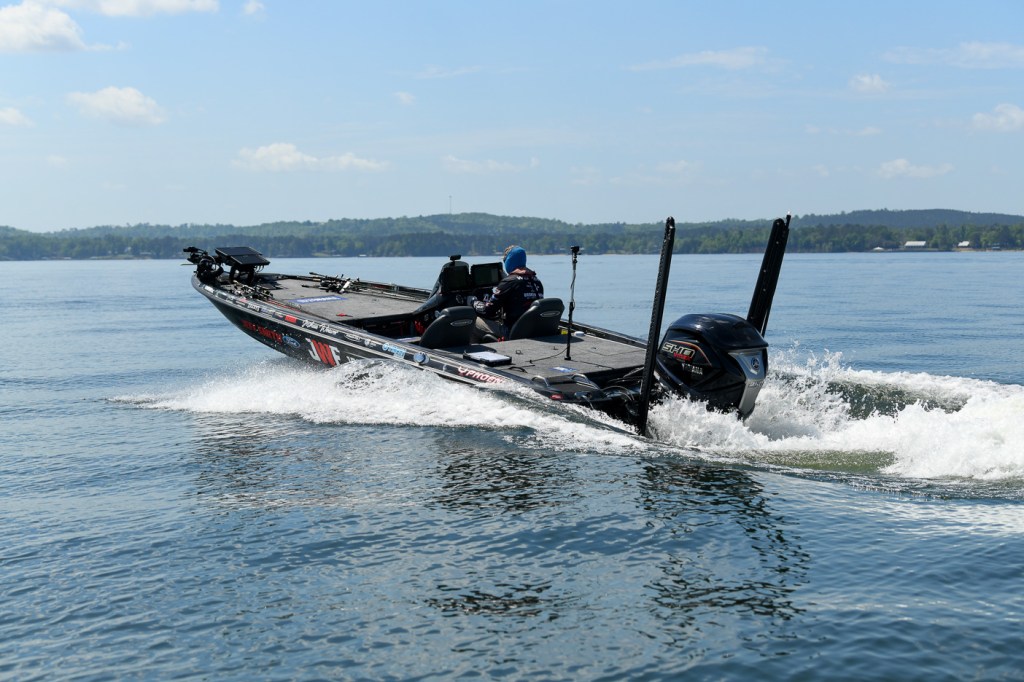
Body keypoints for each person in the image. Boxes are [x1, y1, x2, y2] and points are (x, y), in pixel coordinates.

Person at [472, 245, 544, 341]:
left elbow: (488, 311)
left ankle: (474, 349)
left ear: (509, 260)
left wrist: (473, 302)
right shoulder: (536, 281)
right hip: (532, 331)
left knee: (472, 321)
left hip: (512, 332)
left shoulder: (509, 282)